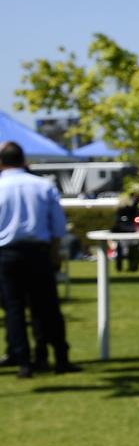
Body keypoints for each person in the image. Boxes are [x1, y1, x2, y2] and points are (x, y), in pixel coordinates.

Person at [0, 141, 79, 378]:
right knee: (47, 307)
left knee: (14, 310)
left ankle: (23, 360)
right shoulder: (43, 186)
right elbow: (58, 227)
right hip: (38, 252)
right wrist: (55, 253)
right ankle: (60, 357)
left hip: (7, 253)